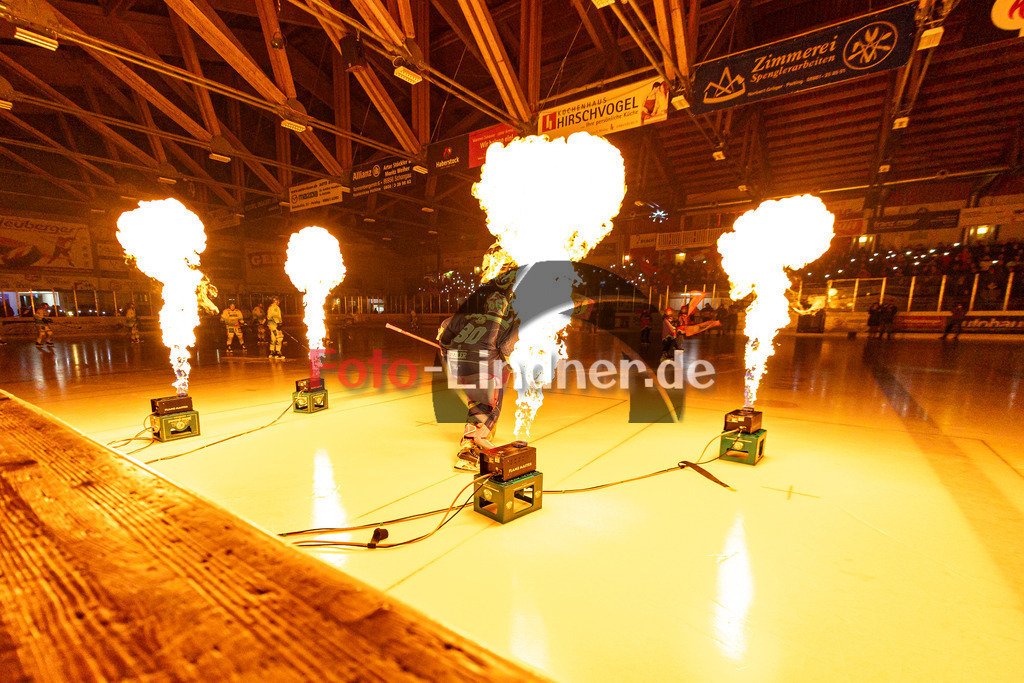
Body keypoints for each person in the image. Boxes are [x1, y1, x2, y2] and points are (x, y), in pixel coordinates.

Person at [437, 267, 518, 472]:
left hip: (461, 366)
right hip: (485, 369)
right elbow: (508, 350)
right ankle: (469, 448)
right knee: (489, 406)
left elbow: (445, 329)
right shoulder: (504, 322)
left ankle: (477, 435)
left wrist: (448, 355)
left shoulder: (471, 315)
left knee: (477, 402)